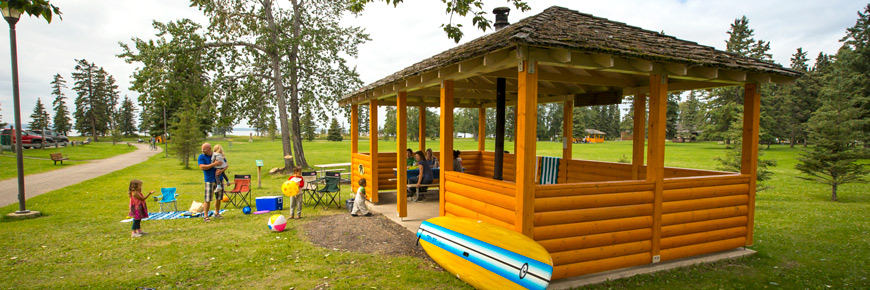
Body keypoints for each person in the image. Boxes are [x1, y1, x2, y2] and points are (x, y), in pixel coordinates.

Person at [198, 143, 224, 222]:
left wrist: (221, 170)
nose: (202, 150)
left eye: (204, 149)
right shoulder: (201, 157)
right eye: (202, 149)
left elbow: (225, 164)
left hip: (219, 179)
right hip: (209, 180)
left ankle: (217, 213)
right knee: (207, 199)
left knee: (219, 198)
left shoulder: (217, 155)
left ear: (209, 149)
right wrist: (214, 164)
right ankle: (206, 216)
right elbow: (202, 167)